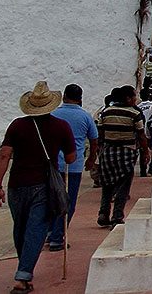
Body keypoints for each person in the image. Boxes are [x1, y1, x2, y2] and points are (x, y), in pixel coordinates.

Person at [0, 81, 76, 294]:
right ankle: (22, 276)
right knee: (36, 229)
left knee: (20, 228)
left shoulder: (17, 125)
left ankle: (24, 270)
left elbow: (4, 154)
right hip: (44, 185)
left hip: (16, 185)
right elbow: (70, 157)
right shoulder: (60, 126)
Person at [47, 83, 99, 251]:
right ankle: (57, 237)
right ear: (80, 98)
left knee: (53, 199)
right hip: (73, 165)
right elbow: (94, 139)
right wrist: (91, 158)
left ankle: (50, 232)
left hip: (54, 165)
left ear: (63, 97)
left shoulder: (53, 114)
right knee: (68, 203)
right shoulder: (85, 117)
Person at [97, 85, 150, 227]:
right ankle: (117, 216)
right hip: (126, 152)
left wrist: (99, 151)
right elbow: (141, 135)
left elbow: (100, 134)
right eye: (134, 96)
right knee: (123, 186)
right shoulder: (134, 113)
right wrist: (145, 151)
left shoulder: (106, 112)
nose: (135, 99)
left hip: (108, 152)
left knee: (107, 185)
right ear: (127, 98)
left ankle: (103, 212)